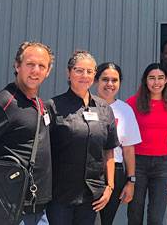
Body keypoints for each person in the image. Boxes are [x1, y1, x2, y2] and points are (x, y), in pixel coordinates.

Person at [0, 41, 54, 225]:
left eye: (41, 66)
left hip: (36, 208)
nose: (35, 70)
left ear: (48, 71)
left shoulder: (38, 104)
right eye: (30, 64)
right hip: (7, 210)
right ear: (17, 65)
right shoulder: (2, 104)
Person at [47, 50, 119, 225]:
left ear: (94, 75)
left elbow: (109, 149)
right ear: (69, 73)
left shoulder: (104, 108)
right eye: (79, 70)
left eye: (89, 71)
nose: (84, 76)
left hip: (91, 196)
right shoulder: (52, 106)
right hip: (60, 195)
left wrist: (109, 187)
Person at [126, 63, 167, 225]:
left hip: (163, 165)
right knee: (135, 212)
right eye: (152, 78)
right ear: (145, 81)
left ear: (166, 81)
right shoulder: (132, 103)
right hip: (138, 162)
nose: (156, 82)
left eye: (160, 78)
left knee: (156, 217)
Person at [96, 63, 142, 225]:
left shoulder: (125, 110)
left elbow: (129, 149)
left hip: (114, 171)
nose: (110, 84)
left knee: (106, 221)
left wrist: (131, 181)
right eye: (105, 79)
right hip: (87, 169)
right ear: (96, 81)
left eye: (114, 80)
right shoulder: (85, 104)